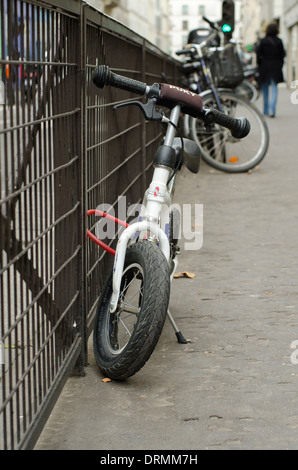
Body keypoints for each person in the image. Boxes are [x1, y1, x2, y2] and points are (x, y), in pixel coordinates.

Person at [256, 22, 286, 118]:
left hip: (265, 67)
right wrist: (280, 65)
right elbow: (282, 55)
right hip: (275, 67)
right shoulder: (279, 41)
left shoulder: (263, 41)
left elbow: (258, 55)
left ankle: (265, 110)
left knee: (265, 90)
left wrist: (260, 65)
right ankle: (272, 111)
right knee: (274, 89)